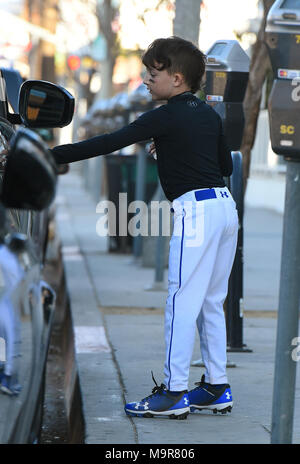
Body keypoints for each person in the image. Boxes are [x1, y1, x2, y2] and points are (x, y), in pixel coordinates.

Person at [50, 36, 238, 420]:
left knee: (180, 301)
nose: (147, 80)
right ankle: (217, 387)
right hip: (224, 210)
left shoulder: (165, 115)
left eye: (153, 74)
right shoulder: (208, 114)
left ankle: (173, 393)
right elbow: (226, 167)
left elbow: (108, 142)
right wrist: (170, 149)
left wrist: (45, 154)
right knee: (210, 302)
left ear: (178, 78)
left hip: (197, 215)